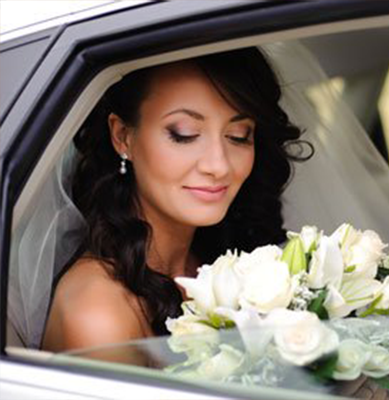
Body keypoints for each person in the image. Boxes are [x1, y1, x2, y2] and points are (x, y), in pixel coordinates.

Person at [41, 47, 312, 357]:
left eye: (238, 135)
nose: (219, 165)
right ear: (122, 136)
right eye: (184, 134)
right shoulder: (98, 313)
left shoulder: (230, 264)